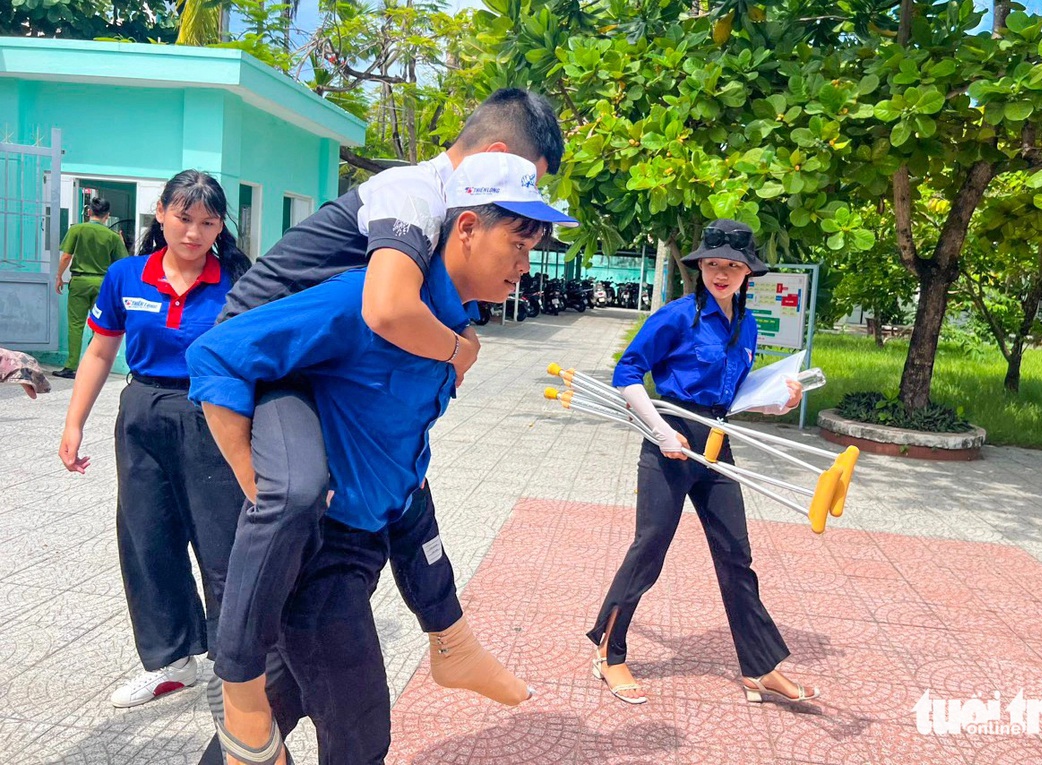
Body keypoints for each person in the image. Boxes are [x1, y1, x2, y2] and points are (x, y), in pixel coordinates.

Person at [205, 88, 564, 759]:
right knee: (356, 724)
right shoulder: (412, 200)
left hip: (343, 486)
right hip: (268, 391)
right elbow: (383, 310)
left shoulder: (446, 301)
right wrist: (257, 483)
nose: (527, 262)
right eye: (520, 232)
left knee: (407, 483)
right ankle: (238, 682)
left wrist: (457, 341)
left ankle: (450, 636)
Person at [586, 219, 818, 706]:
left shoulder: (747, 325)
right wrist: (660, 430)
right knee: (649, 548)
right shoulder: (676, 316)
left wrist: (781, 403)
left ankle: (760, 667)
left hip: (717, 439)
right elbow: (626, 373)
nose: (721, 273)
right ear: (701, 267)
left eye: (732, 266)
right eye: (713, 264)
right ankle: (610, 653)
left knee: (737, 554)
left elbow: (735, 398)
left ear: (747, 274)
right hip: (668, 438)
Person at [57, 171, 251, 708]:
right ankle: (173, 661)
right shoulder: (126, 276)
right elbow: (99, 351)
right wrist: (74, 423)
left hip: (212, 412)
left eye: (207, 222)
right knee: (147, 538)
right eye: (184, 218)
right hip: (141, 411)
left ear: (219, 227)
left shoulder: (238, 278)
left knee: (223, 540)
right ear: (161, 212)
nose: (193, 232)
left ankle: (231, 662)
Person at [53, 197, 129, 378]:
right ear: (107, 215)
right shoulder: (112, 236)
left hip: (79, 282)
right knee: (99, 326)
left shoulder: (77, 229)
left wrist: (59, 276)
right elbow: (123, 263)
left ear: (89, 212)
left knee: (76, 325)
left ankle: (71, 366)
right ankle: (91, 363)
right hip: (103, 284)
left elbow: (65, 257)